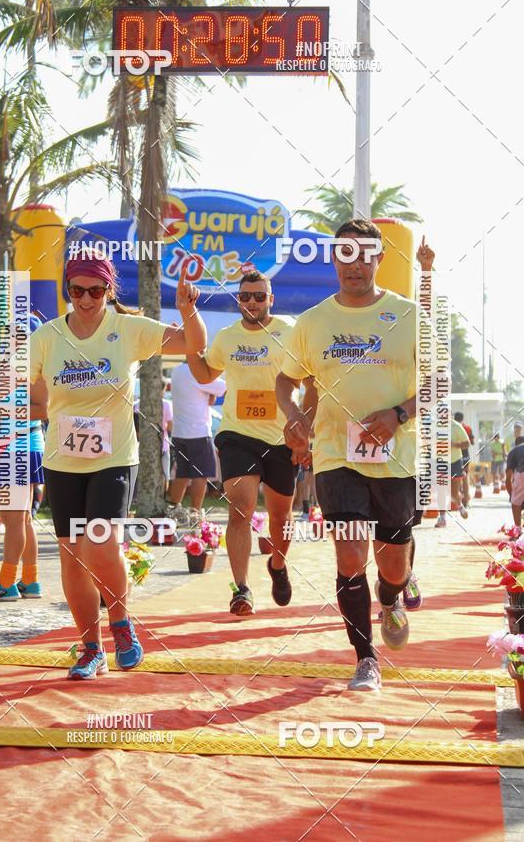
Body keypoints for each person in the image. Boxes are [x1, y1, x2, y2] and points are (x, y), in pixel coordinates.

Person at [0, 249, 205, 680]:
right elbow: (6, 375)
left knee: (98, 545)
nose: (85, 299)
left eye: (96, 290)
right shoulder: (48, 336)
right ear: (68, 289)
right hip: (64, 461)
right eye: (76, 290)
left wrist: (187, 310)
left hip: (114, 459)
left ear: (108, 289)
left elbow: (193, 343)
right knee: (71, 559)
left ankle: (121, 622)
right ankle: (91, 647)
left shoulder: (127, 329)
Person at [277, 219, 419, 692]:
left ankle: (393, 595)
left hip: (395, 459)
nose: (354, 264)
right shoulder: (313, 321)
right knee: (351, 553)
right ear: (333, 259)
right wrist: (293, 414)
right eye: (345, 254)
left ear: (379, 259)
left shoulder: (409, 315)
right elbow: (286, 379)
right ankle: (365, 659)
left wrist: (399, 413)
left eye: (364, 254)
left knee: (391, 563)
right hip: (336, 456)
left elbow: (441, 384)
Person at [188, 270, 300, 616]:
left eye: (259, 296)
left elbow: (309, 378)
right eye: (246, 296)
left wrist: (304, 428)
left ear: (271, 299)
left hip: (282, 437)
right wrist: (191, 342)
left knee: (281, 514)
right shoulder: (227, 337)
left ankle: (278, 565)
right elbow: (206, 374)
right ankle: (242, 589)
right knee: (240, 507)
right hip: (237, 435)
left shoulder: (290, 331)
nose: (252, 302)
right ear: (239, 300)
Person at [0, 315, 47, 600]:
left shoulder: (30, 368)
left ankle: (7, 582)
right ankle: (30, 581)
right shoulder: (17, 367)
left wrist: (3, 413)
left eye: (17, 335)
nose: (10, 340)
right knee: (22, 521)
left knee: (14, 521)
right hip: (19, 446)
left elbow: (44, 408)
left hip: (17, 448)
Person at [167, 360, 226, 527]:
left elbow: (210, 393)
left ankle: (174, 508)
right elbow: (222, 387)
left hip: (179, 432)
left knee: (182, 473)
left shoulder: (177, 370)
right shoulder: (198, 372)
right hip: (198, 432)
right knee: (201, 475)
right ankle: (195, 512)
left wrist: (210, 393)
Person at [434, 415, 470, 527]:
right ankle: (442, 518)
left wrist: (453, 445)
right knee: (441, 490)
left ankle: (459, 505)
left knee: (454, 492)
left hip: (455, 461)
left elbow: (467, 443)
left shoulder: (456, 426)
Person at [454, 411, 474, 508]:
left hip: (455, 457)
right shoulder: (468, 428)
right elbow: (472, 442)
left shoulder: (452, 427)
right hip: (465, 456)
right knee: (465, 478)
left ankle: (456, 500)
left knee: (454, 479)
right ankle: (466, 500)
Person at [506, 429, 524, 528]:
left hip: (522, 473)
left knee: (516, 503)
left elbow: (508, 478)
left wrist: (512, 496)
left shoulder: (513, 451)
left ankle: (518, 528)